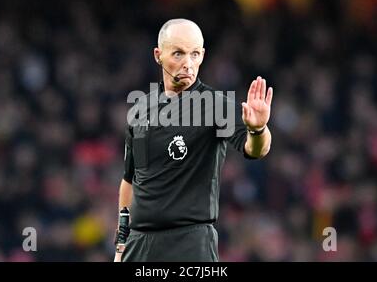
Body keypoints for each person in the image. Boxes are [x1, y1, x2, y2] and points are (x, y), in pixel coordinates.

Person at [114, 18, 273, 262]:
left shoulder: (214, 105)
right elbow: (130, 181)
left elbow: (255, 150)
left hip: (190, 243)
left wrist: (259, 129)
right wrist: (121, 243)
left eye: (195, 54)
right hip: (139, 244)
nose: (188, 63)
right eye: (178, 53)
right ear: (158, 54)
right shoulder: (140, 109)